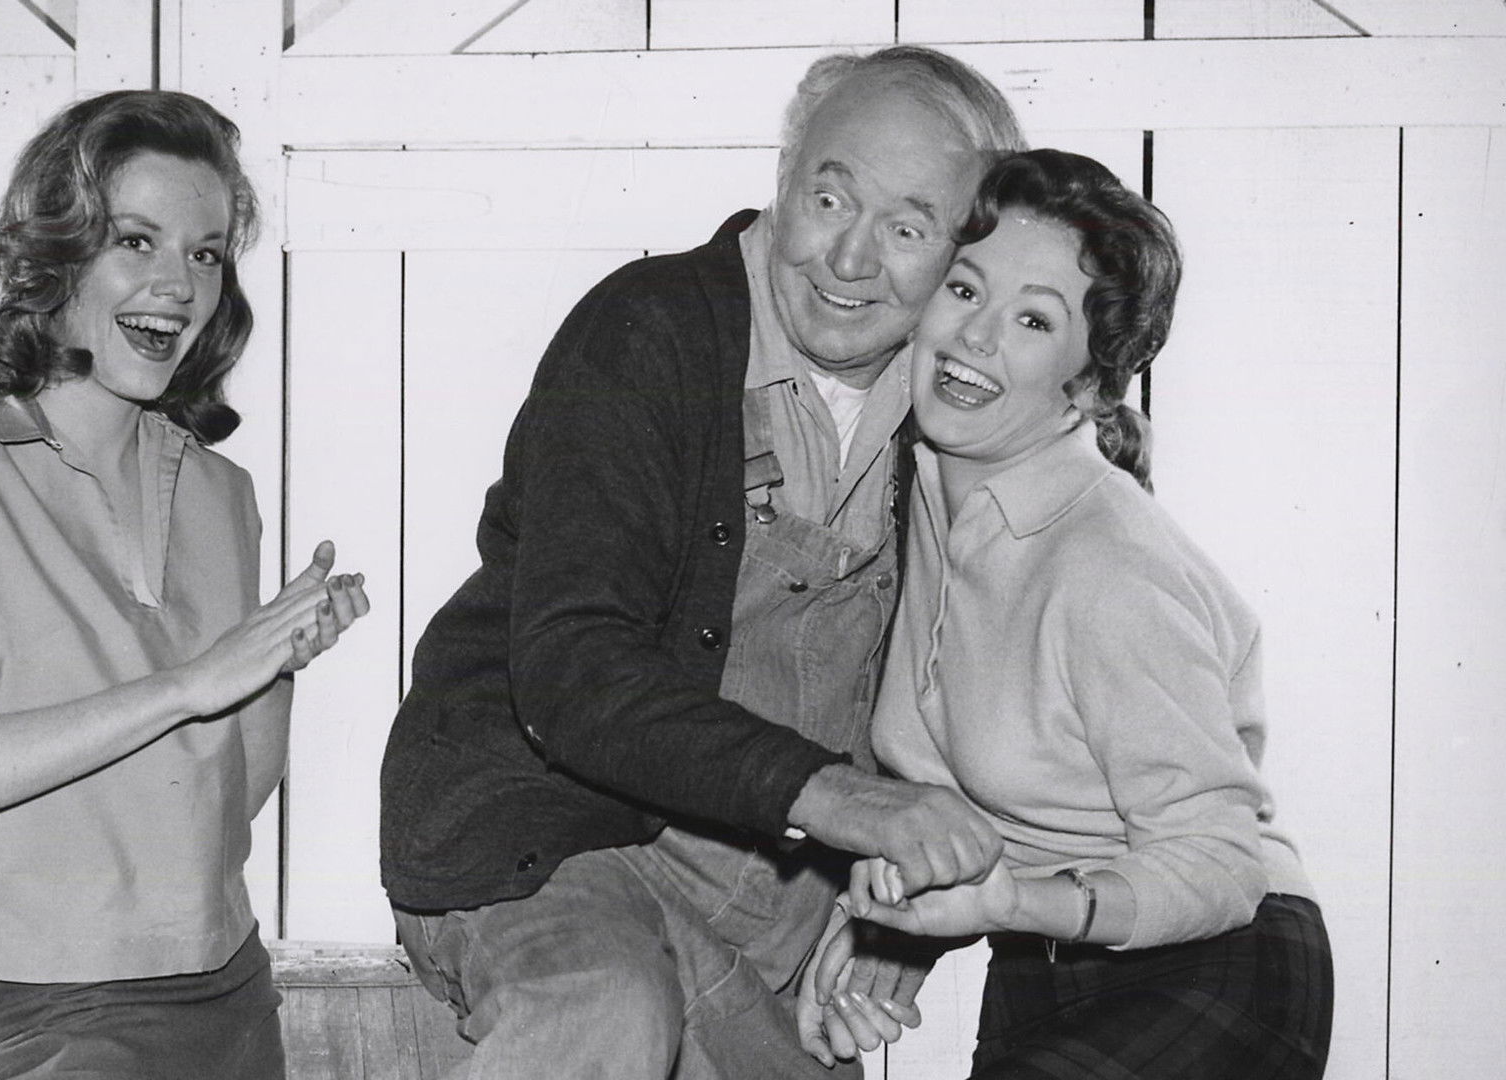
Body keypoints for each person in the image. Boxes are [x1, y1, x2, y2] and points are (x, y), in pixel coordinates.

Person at [379, 47, 1025, 1078]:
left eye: (907, 229)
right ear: (784, 179)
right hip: (549, 854)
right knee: (604, 1013)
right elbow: (576, 668)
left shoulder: (959, 414)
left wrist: (904, 916)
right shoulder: (650, 329)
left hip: (759, 924)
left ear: (962, 258)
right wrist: (843, 802)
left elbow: (995, 712)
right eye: (828, 199)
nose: (849, 258)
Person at [0, 90, 369, 1079]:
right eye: (137, 241)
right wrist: (191, 684)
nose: (177, 285)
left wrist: (275, 663)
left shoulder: (223, 493)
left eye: (206, 253)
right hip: (48, 1000)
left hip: (227, 987)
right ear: (56, 257)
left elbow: (224, 805)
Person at [806, 148, 1334, 1078]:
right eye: (965, 290)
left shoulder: (1109, 562)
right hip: (1038, 968)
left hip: (1218, 961)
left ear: (1086, 385)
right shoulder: (915, 494)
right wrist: (901, 927)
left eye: (1034, 319)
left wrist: (1010, 901)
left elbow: (1221, 865)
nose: (976, 337)